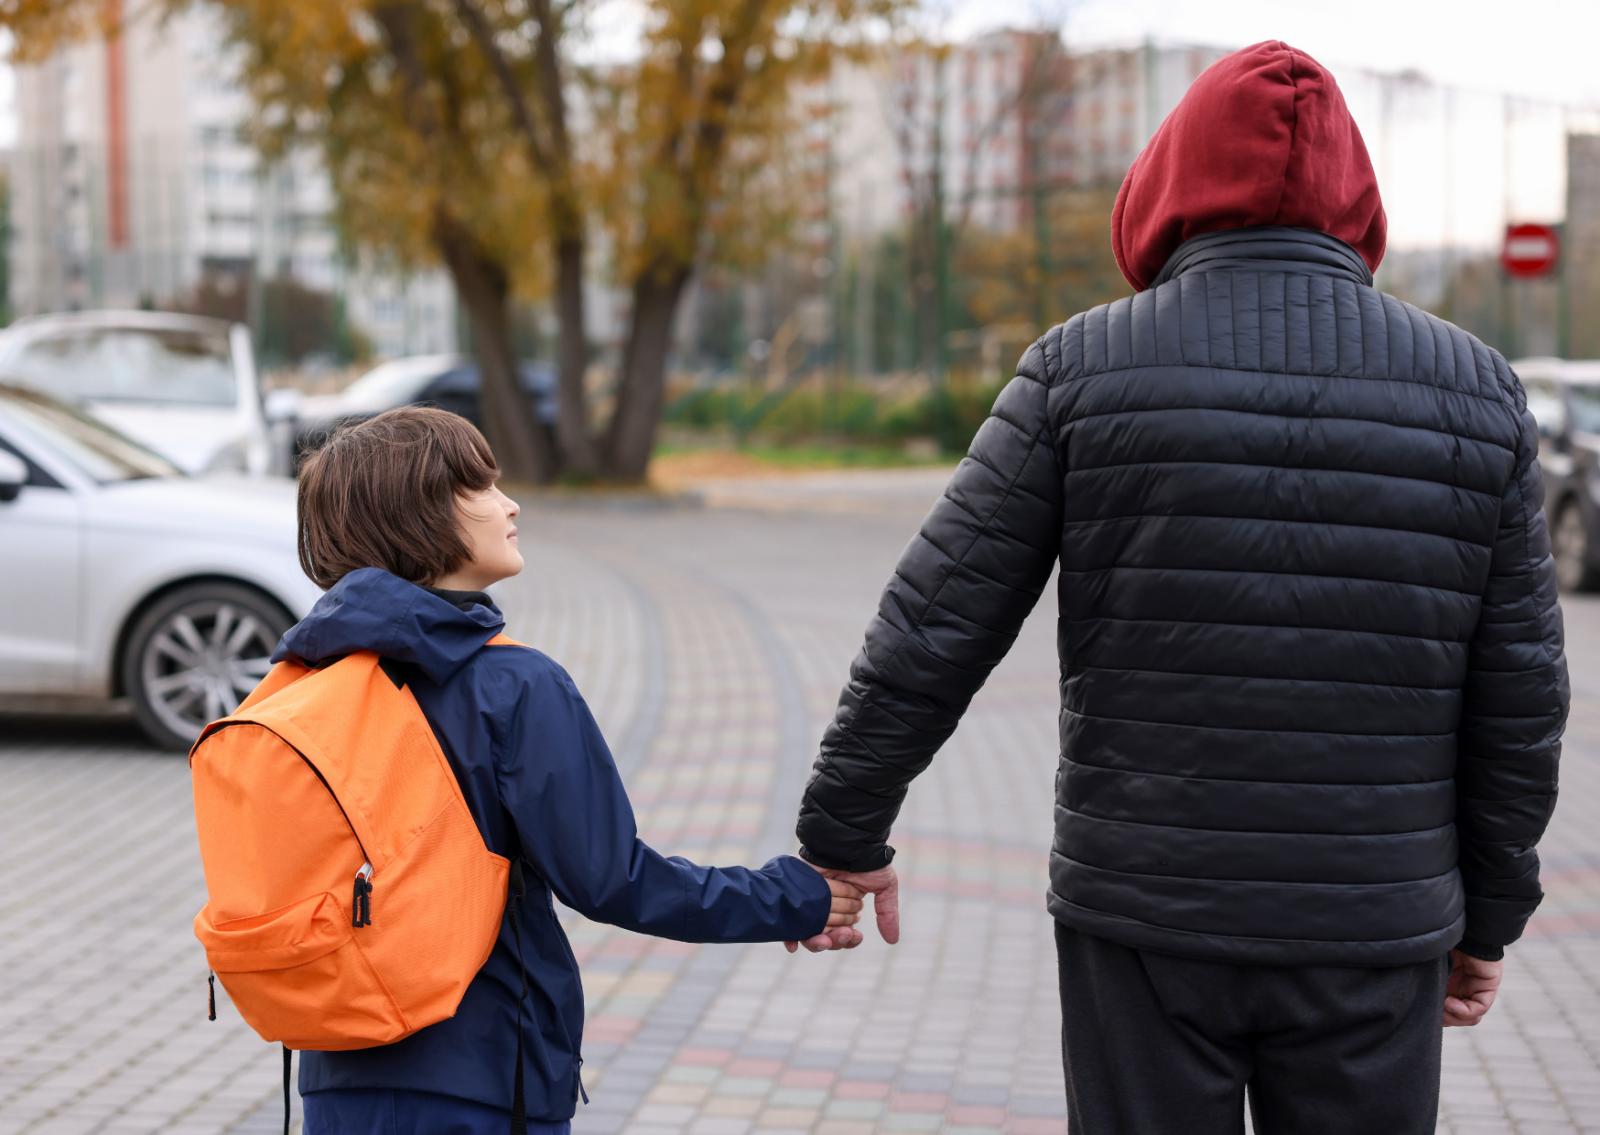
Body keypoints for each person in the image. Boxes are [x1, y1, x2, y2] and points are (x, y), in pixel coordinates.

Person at [791, 40, 1568, 1134]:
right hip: (1374, 924)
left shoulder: (1080, 369)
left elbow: (934, 622)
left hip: (1144, 914)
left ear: (1167, 183)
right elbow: (1522, 695)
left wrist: (843, 829)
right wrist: (1488, 916)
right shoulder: (1476, 390)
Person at [280, 406, 863, 1133]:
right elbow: (613, 878)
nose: (509, 503)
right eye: (480, 488)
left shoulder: (307, 684)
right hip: (482, 1078)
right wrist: (791, 897)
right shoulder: (514, 686)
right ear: (420, 517)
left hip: (339, 1072)